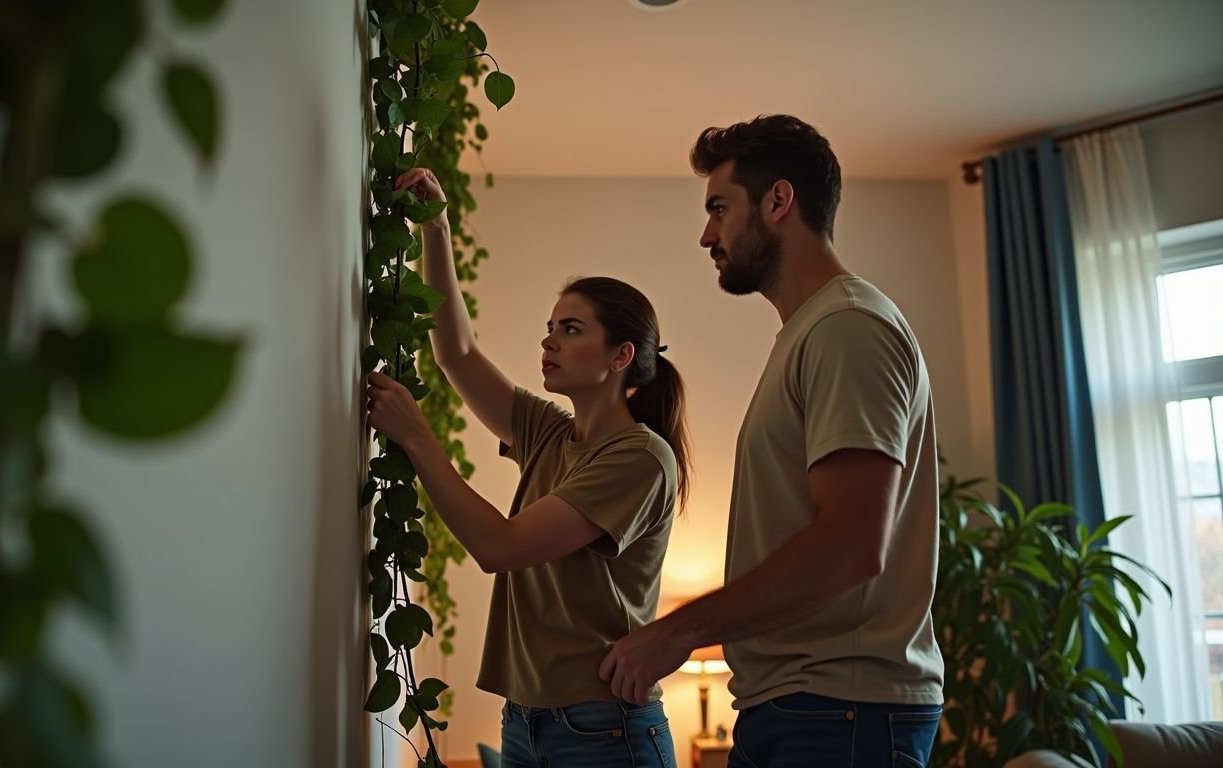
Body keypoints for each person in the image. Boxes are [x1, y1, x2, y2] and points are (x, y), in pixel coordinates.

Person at [598, 115, 945, 767]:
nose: (707, 235)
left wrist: (679, 631)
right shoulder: (813, 332)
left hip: (838, 713)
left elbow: (850, 546)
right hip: (806, 708)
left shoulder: (847, 329)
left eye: (720, 209)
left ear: (779, 201)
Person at [365, 167, 692, 768]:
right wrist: (436, 228)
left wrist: (417, 438)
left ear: (622, 356)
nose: (550, 343)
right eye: (549, 329)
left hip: (604, 732)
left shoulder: (640, 458)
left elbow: (502, 545)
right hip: (526, 721)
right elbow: (456, 353)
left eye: (570, 330)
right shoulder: (550, 431)